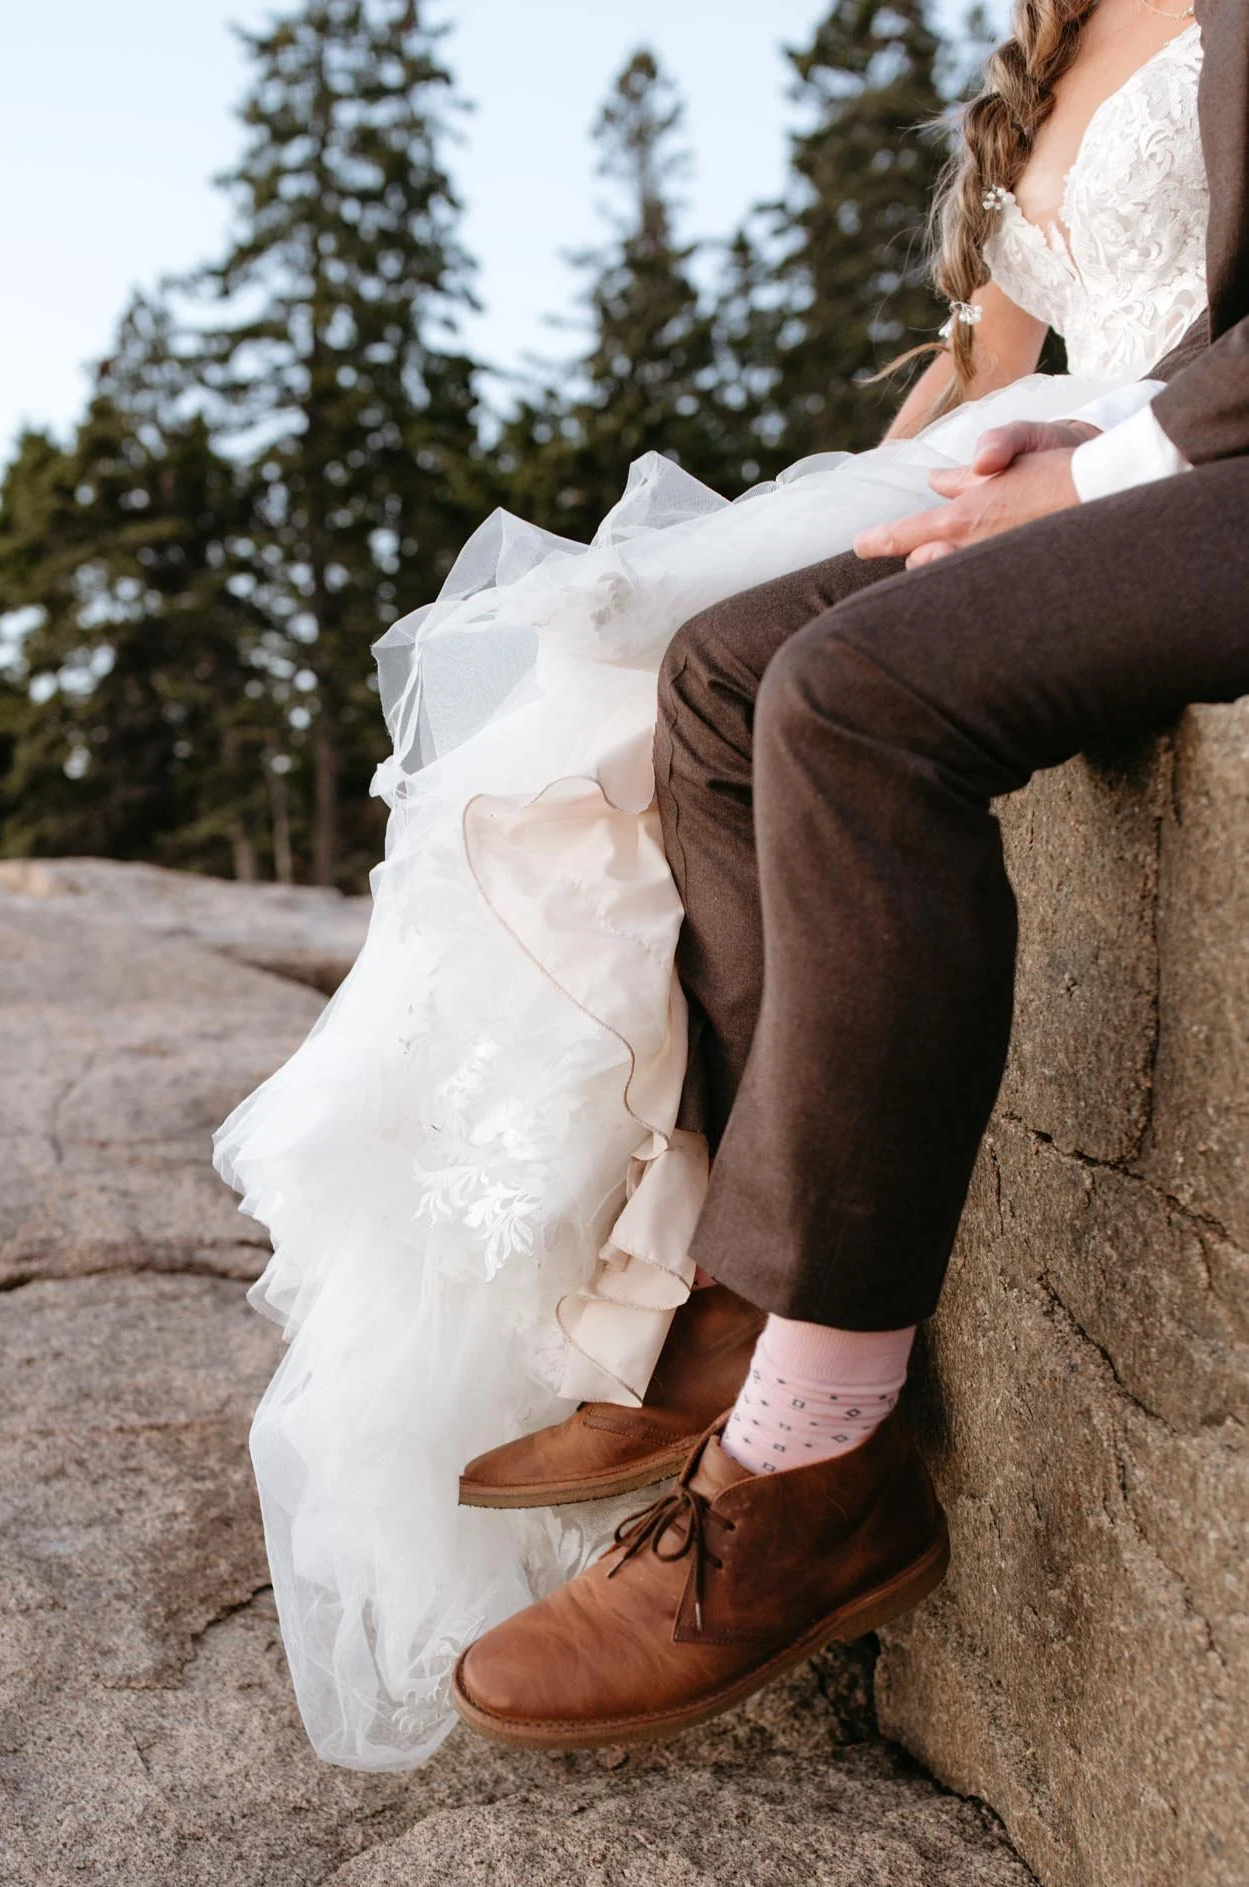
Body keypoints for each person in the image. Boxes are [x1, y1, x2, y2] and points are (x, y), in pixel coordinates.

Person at [216, 0, 1224, 1769]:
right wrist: (899, 491)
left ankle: (813, 1459)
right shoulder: (1054, 29)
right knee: (712, 674)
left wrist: (1099, 468)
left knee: (853, 704)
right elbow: (989, 355)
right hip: (1130, 441)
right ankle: (755, 1296)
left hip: (1200, 453)